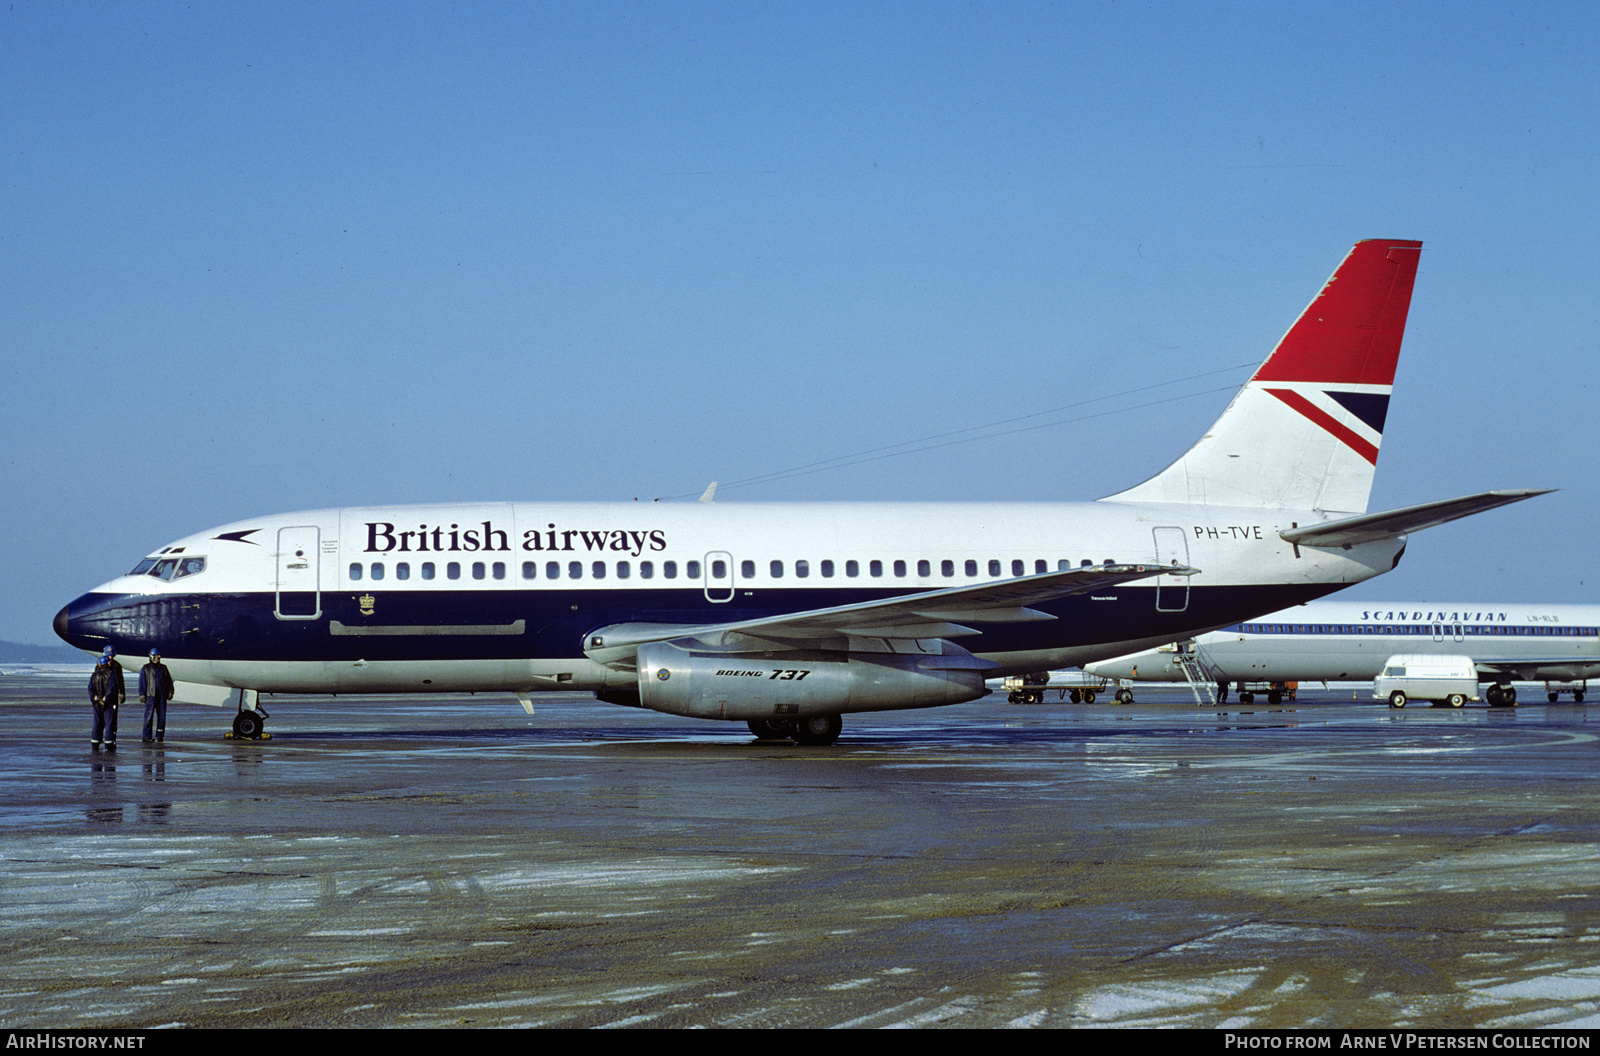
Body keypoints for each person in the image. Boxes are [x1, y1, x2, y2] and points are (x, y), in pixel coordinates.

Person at [90, 647, 124, 749]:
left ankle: (95, 742)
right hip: (109, 701)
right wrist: (106, 698)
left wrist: (94, 698)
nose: (110, 657)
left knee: (97, 722)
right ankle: (109, 742)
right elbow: (111, 687)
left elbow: (90, 688)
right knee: (110, 722)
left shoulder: (94, 674)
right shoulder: (111, 674)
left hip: (98, 701)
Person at [140, 648, 175, 742]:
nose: (158, 657)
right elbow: (142, 682)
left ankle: (160, 735)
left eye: (158, 655)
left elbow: (169, 681)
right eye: (156, 656)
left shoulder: (163, 668)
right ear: (151, 657)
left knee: (162, 716)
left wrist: (170, 691)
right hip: (150, 696)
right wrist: (142, 694)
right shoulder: (145, 668)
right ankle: (146, 736)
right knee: (149, 716)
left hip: (161, 696)